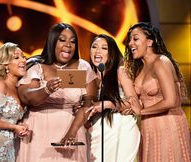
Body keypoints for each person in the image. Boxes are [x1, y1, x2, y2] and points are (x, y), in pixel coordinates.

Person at [15, 23, 97, 162]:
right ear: (52, 41)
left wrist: (71, 133)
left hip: (71, 132)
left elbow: (87, 104)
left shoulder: (82, 67)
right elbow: (26, 97)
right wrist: (47, 89)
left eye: (72, 41)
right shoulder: (37, 66)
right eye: (62, 40)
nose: (68, 45)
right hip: (38, 133)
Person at [62, 34, 140, 162]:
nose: (98, 51)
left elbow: (135, 106)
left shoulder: (120, 71)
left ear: (112, 53)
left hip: (121, 128)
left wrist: (109, 104)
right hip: (96, 131)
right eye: (94, 47)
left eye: (104, 48)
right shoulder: (85, 75)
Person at [124, 22, 191, 162]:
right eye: (129, 40)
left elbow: (171, 100)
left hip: (168, 127)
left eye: (135, 39)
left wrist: (141, 112)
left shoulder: (161, 61)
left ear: (149, 42)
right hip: (149, 129)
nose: (130, 43)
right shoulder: (140, 69)